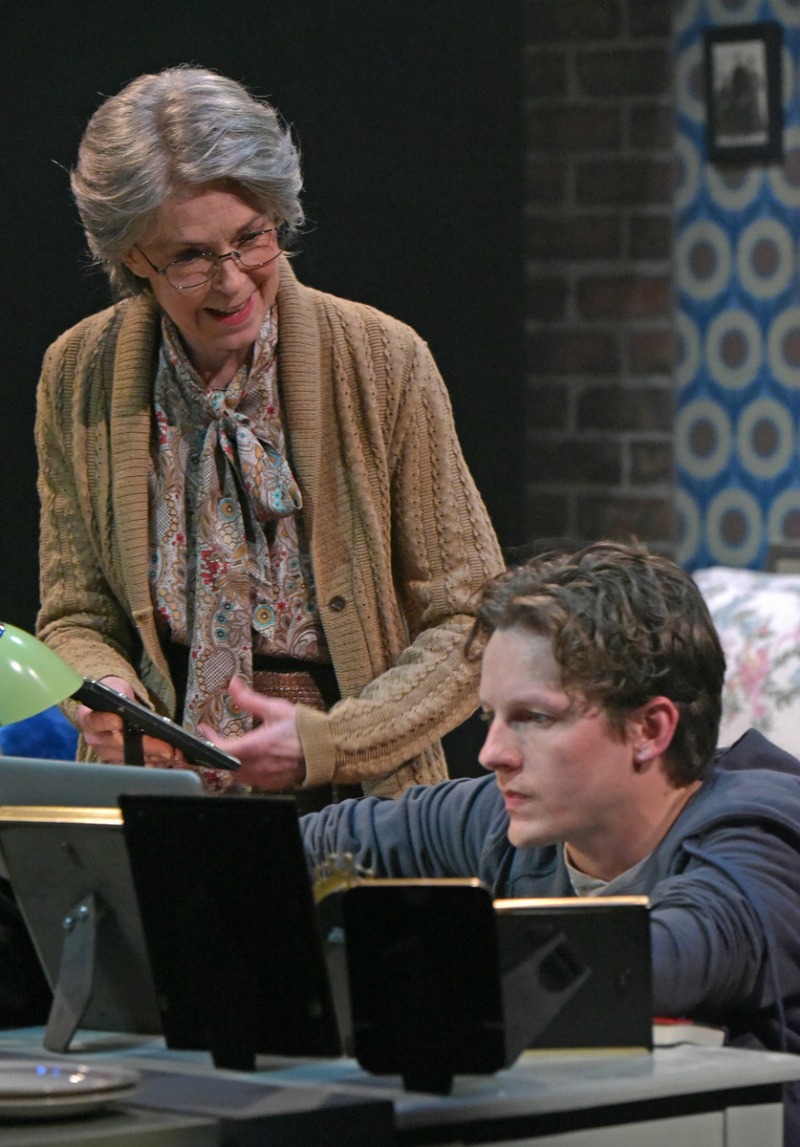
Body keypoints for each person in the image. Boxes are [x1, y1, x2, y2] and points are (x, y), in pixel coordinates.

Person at [35, 65, 503, 800]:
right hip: (155, 797)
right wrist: (101, 691)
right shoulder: (78, 374)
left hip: (356, 802)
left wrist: (328, 743)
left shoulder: (384, 360)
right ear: (133, 258)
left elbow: (473, 618)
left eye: (253, 239)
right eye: (189, 256)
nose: (232, 280)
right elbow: (75, 614)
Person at [302, 540, 800, 1141]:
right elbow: (311, 847)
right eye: (492, 718)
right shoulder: (512, 816)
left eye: (535, 718)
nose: (493, 755)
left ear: (650, 728)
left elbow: (665, 954)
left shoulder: (764, 830)